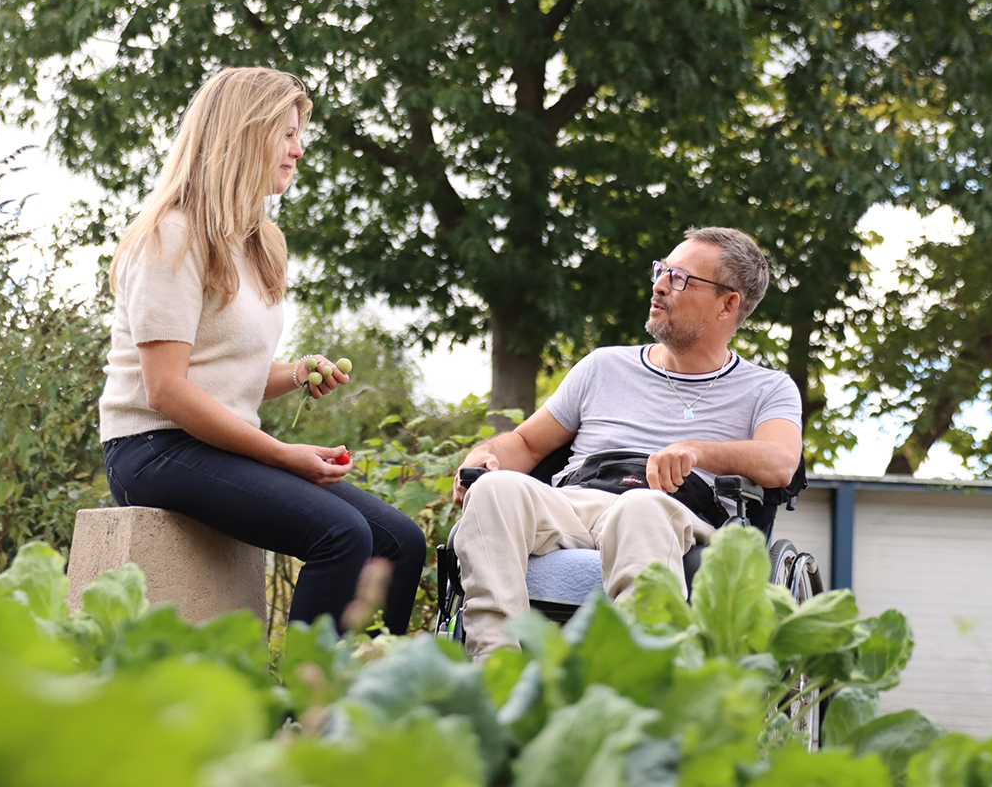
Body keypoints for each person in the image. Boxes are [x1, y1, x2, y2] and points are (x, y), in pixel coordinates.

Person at [99, 67, 426, 634]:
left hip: (212, 445)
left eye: (300, 136)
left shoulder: (256, 242)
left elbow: (225, 372)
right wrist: (280, 452)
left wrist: (296, 373)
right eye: (287, 133)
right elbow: (167, 388)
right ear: (243, 134)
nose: (298, 150)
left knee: (399, 541)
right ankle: (306, 716)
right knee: (341, 534)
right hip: (150, 447)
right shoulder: (171, 235)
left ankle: (368, 708)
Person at [451, 227, 803, 660]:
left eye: (680, 278)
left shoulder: (768, 389)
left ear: (727, 304)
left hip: (679, 512)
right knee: (494, 489)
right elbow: (524, 443)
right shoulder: (603, 366)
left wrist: (697, 451)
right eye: (662, 270)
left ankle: (634, 685)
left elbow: (781, 462)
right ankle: (495, 670)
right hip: (581, 499)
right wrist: (484, 456)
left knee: (642, 507)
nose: (658, 284)